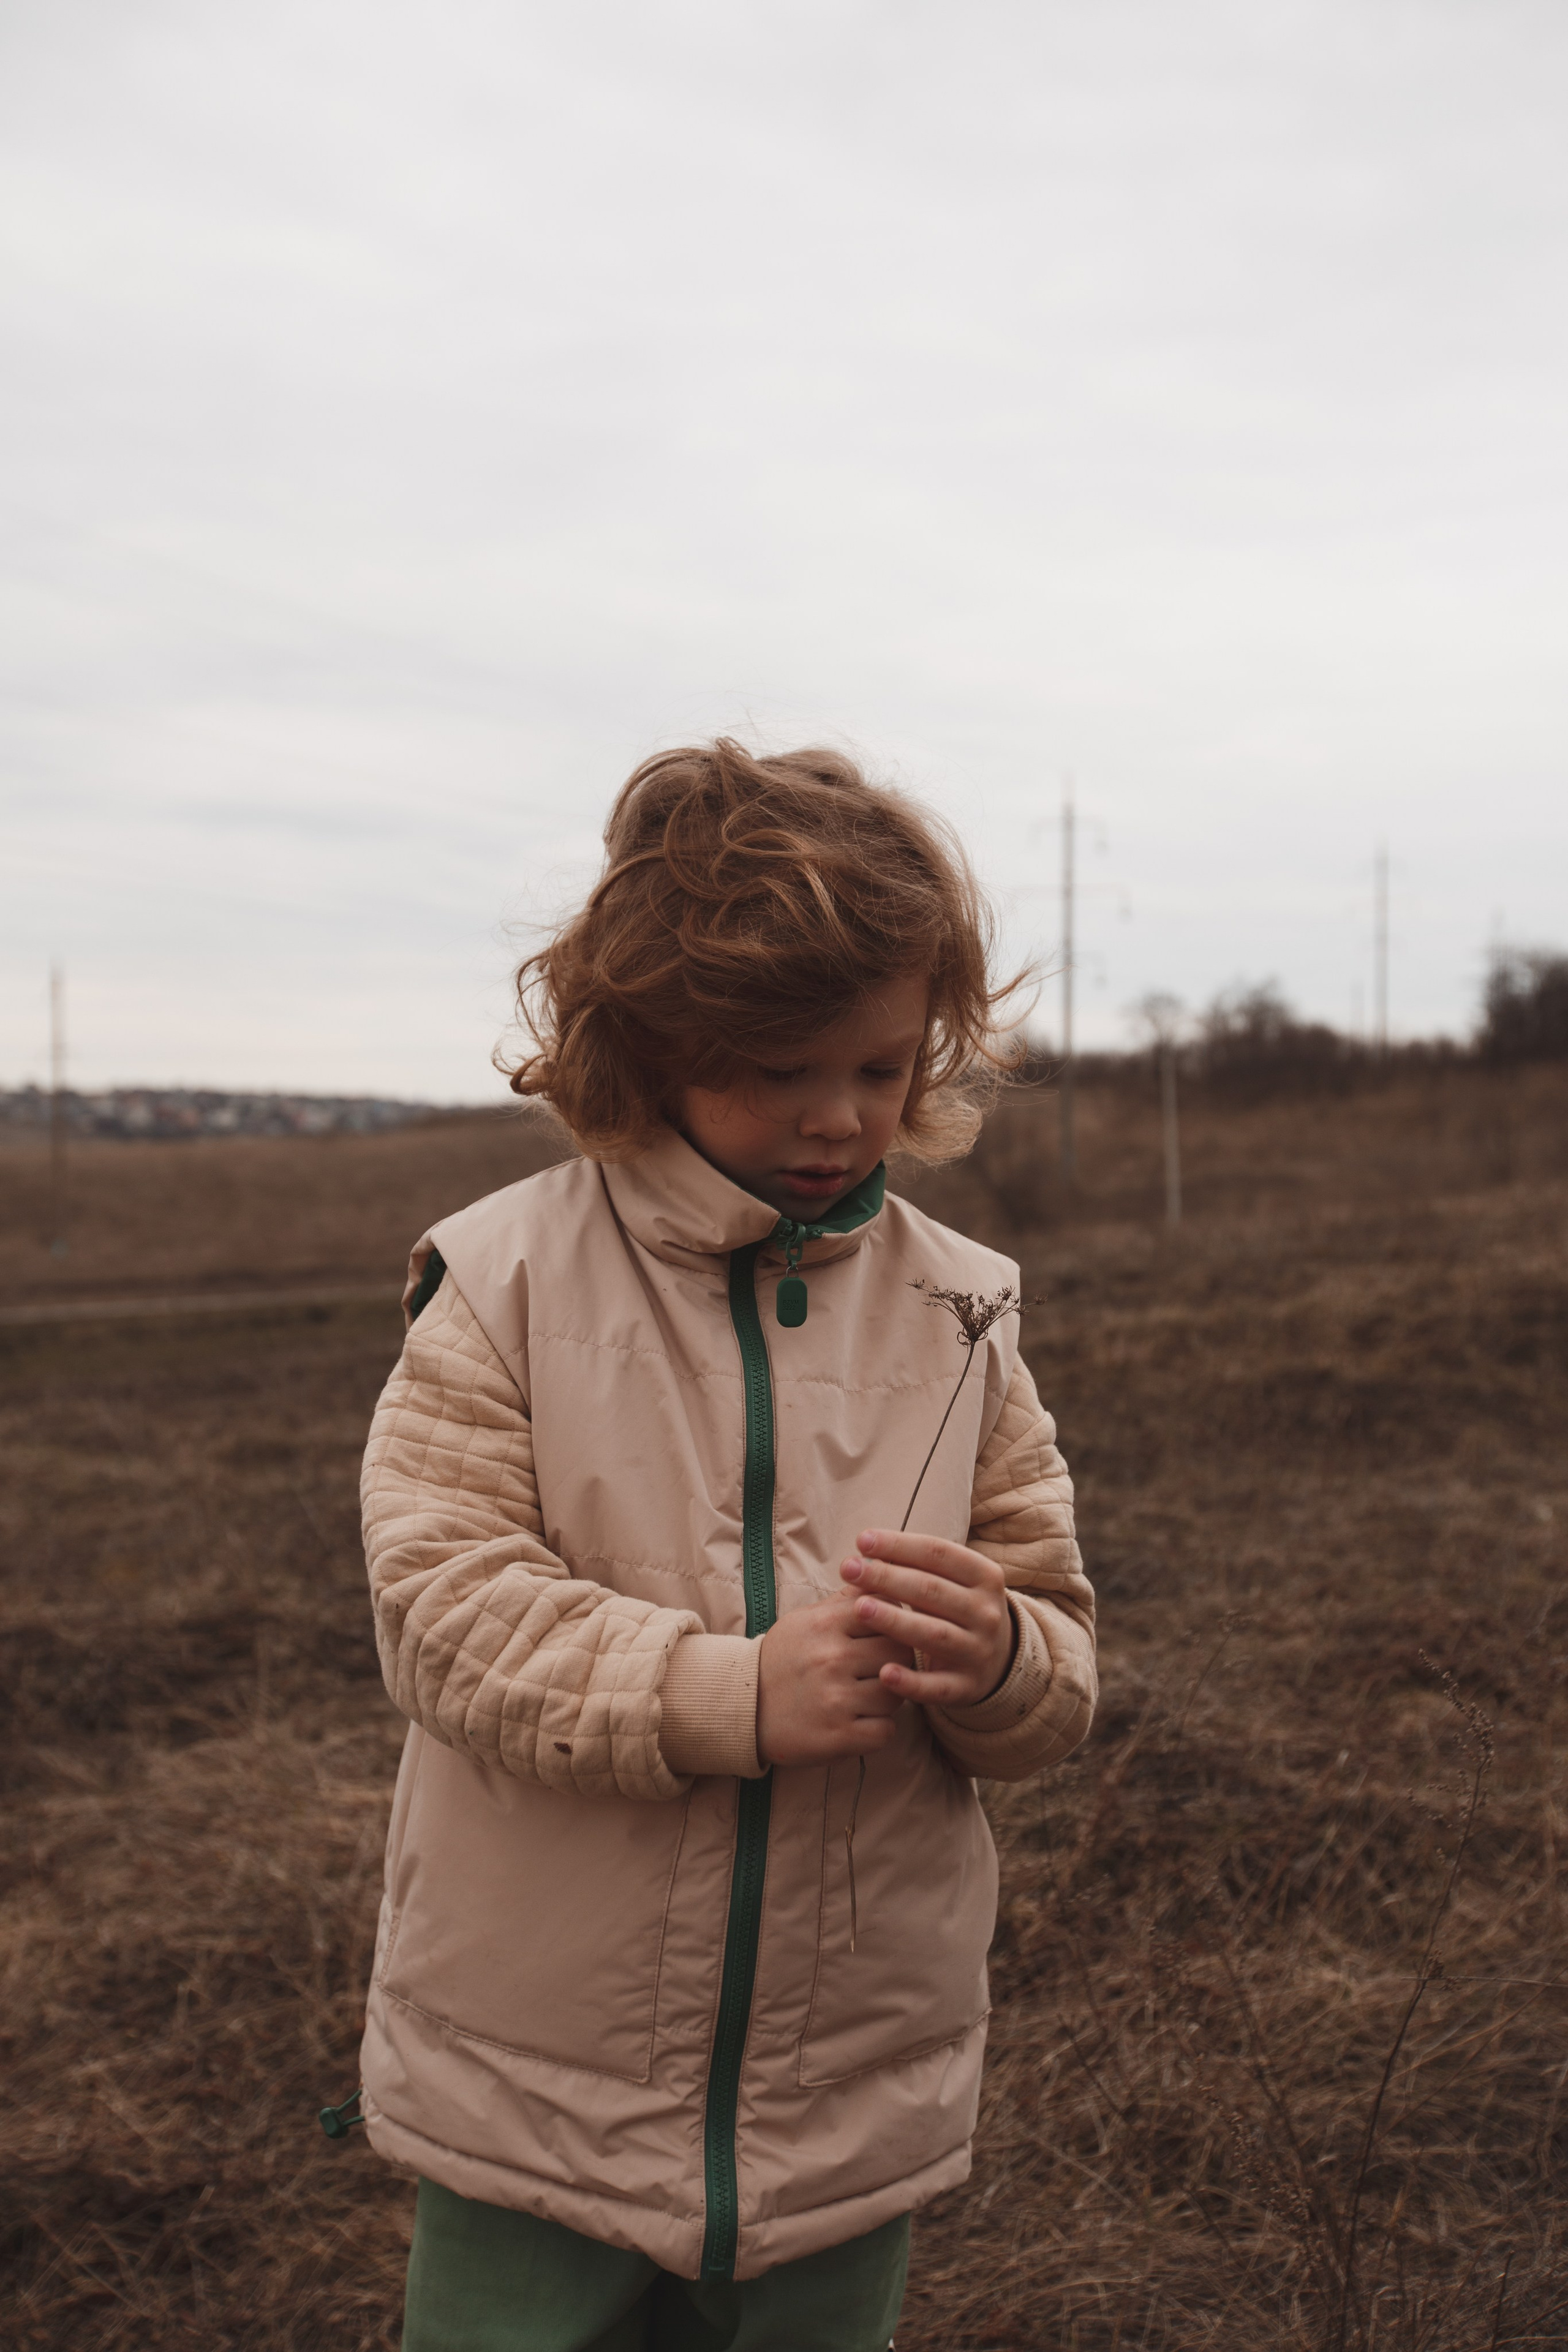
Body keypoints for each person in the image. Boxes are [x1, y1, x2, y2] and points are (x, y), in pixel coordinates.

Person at [357, 739, 1097, 2351]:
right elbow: (442, 1613)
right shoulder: (504, 1286)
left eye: (884, 1068)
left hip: (850, 2098)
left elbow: (1056, 1647)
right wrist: (720, 1696)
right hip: (533, 2089)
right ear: (646, 1047)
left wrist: (1006, 1659)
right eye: (780, 1070)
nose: (841, 1119)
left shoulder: (962, 1310)